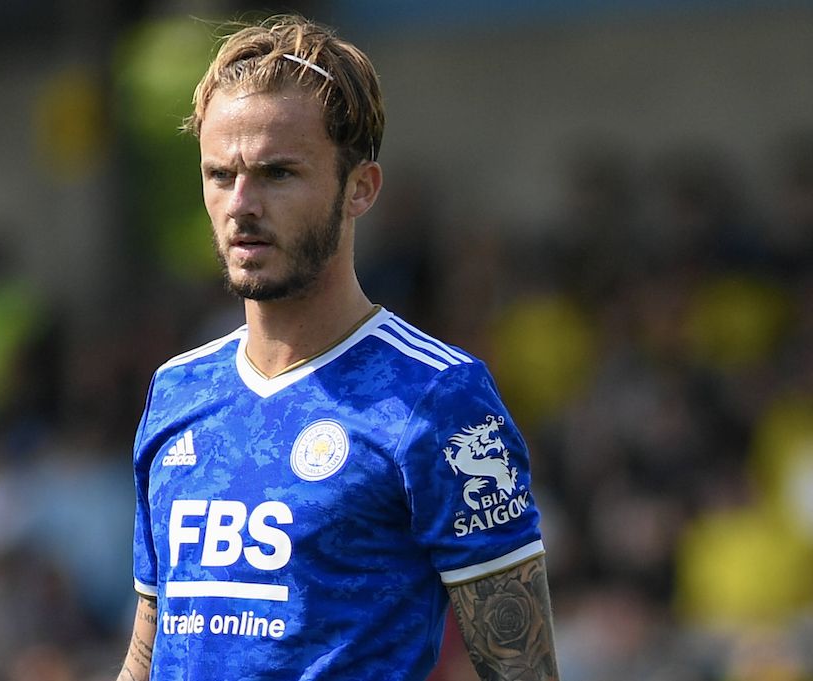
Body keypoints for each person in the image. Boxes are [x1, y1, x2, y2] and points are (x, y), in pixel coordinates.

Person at [117, 14, 561, 681]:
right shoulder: (179, 391)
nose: (241, 204)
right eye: (220, 174)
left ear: (360, 189)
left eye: (278, 173)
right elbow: (151, 653)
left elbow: (523, 670)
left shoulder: (440, 399)